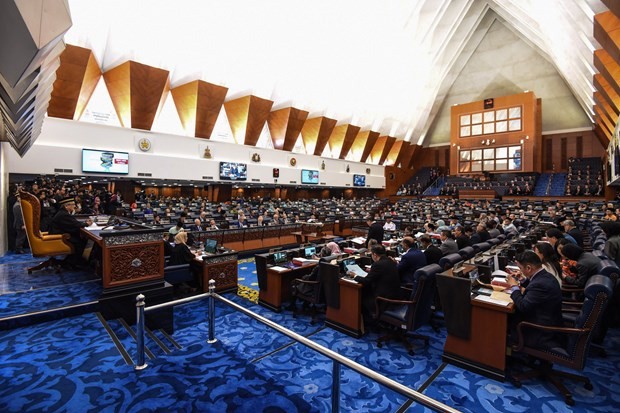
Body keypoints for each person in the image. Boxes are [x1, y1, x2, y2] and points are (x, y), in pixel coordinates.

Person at [505, 251, 563, 350]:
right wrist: (523, 280)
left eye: (521, 268)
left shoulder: (540, 284)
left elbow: (523, 306)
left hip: (540, 330)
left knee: (505, 318)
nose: (520, 271)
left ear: (528, 268)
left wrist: (514, 286)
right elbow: (534, 289)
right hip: (548, 317)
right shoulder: (544, 275)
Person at [347, 245, 400, 327]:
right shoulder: (390, 260)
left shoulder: (378, 264)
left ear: (374, 255)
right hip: (394, 294)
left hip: (383, 299)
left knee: (359, 297)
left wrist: (354, 276)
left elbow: (367, 281)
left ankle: (365, 324)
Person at [49, 196, 93, 261]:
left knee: (82, 238)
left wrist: (84, 223)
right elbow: (75, 225)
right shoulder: (64, 214)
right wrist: (86, 224)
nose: (74, 206)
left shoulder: (63, 212)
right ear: (67, 206)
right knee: (82, 241)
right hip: (60, 237)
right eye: (73, 204)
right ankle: (76, 262)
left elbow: (73, 223)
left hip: (62, 234)